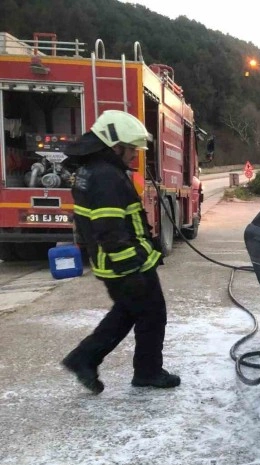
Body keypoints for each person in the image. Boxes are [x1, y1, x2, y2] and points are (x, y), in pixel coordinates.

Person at [61, 110, 180, 394]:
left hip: (115, 263)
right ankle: (145, 372)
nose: (134, 156)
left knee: (128, 312)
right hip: (124, 264)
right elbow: (110, 230)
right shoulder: (106, 176)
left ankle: (86, 359)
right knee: (152, 314)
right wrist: (132, 269)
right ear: (115, 145)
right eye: (131, 149)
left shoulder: (94, 170)